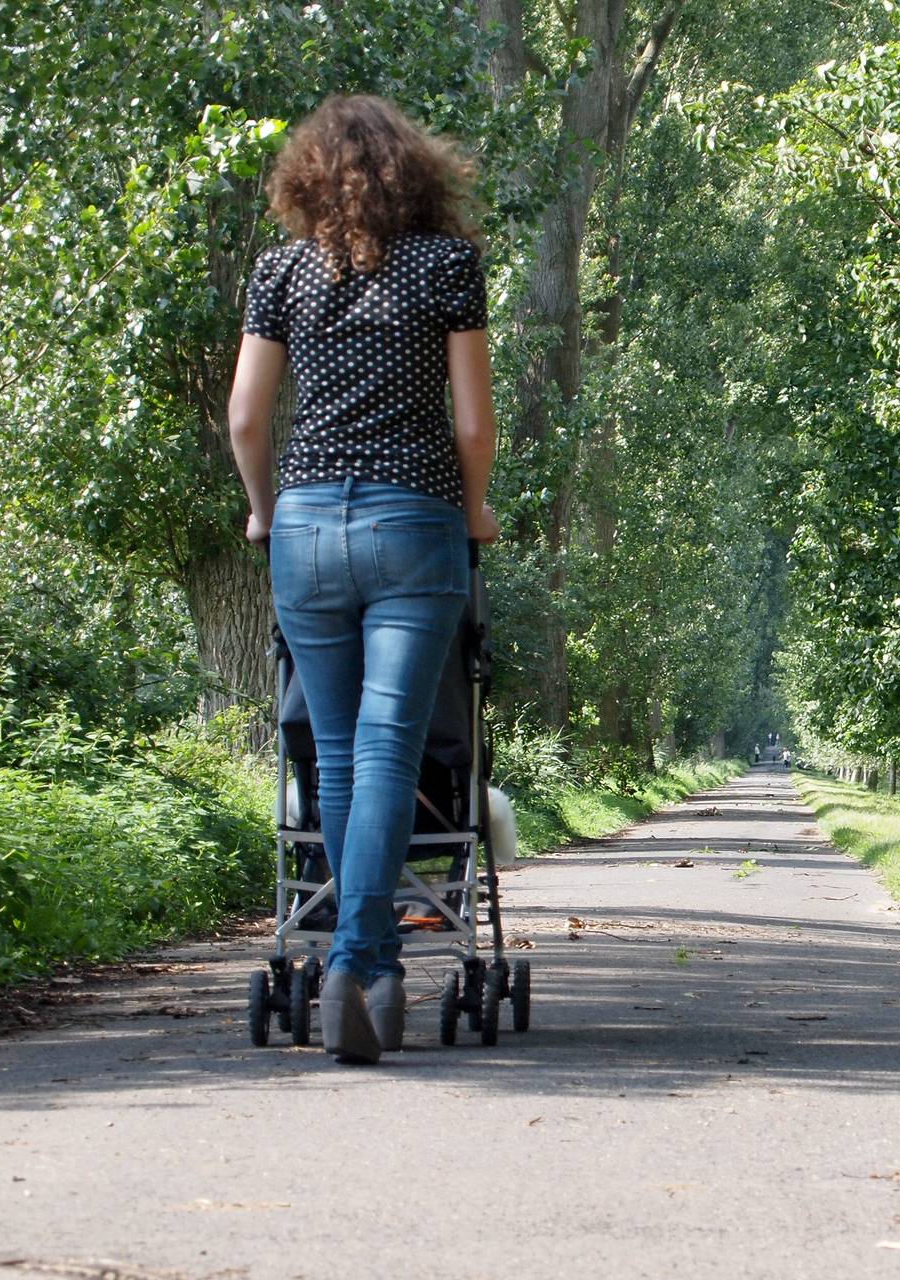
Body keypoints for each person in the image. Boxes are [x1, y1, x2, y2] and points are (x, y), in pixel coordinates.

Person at [227, 95, 500, 1064]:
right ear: (418, 174)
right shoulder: (447, 267)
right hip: (414, 521)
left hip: (305, 523)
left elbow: (247, 418)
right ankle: (366, 959)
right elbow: (472, 423)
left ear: (306, 177)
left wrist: (264, 507)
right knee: (388, 746)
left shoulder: (280, 274)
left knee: (337, 755)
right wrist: (474, 507)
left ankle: (358, 951)